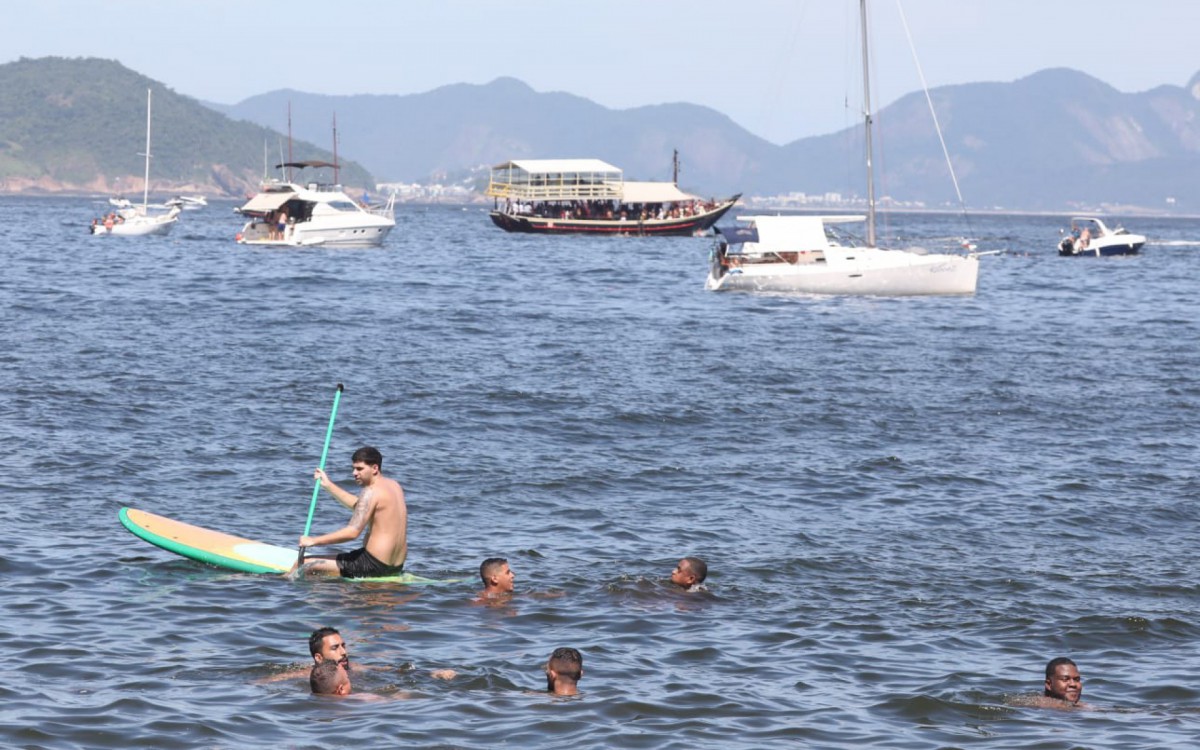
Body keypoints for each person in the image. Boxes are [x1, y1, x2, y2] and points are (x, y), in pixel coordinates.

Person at [296, 446, 408, 579]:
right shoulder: (394, 485)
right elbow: (361, 507)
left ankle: (278, 583)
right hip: (395, 566)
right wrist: (328, 486)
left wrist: (313, 541)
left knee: (304, 564)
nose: (354, 473)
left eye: (360, 468)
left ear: (375, 468)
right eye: (353, 468)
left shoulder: (370, 492)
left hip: (371, 566)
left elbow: (353, 532)